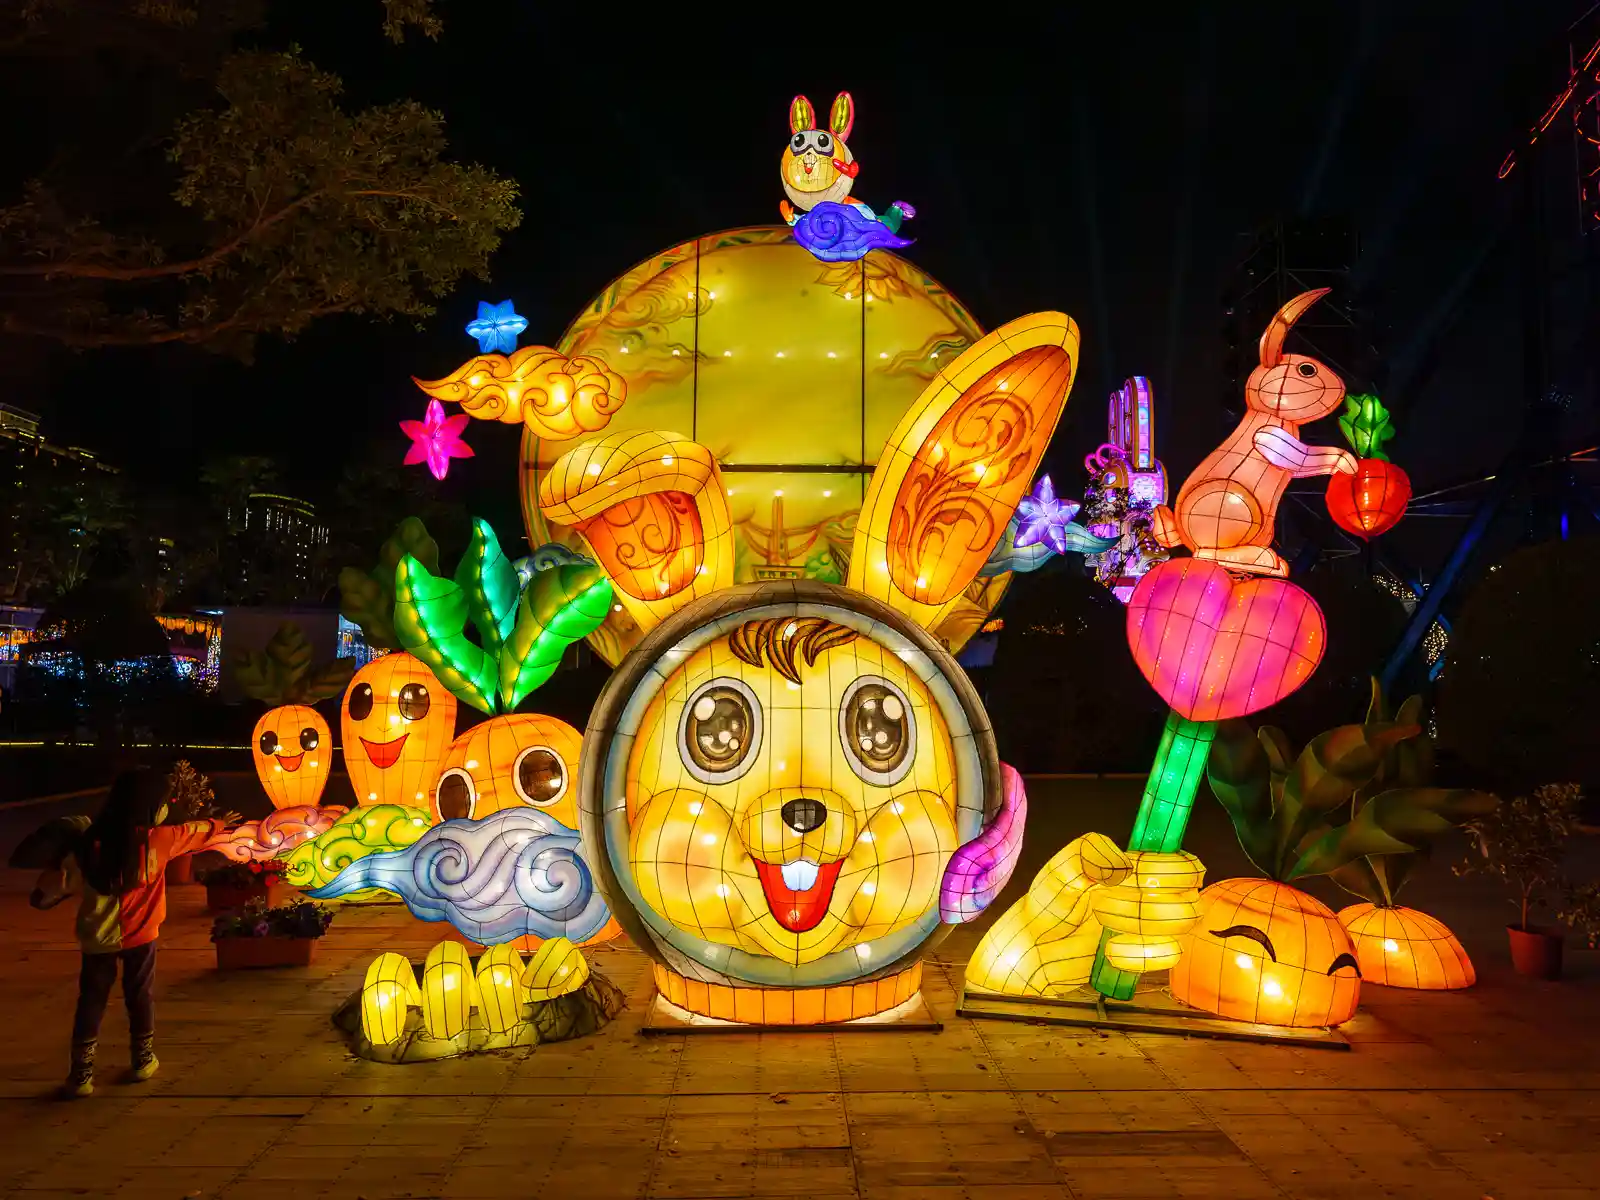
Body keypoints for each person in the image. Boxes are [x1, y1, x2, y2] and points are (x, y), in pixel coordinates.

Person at [29, 768, 227, 1099]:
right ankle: (142, 1060)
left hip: (97, 938)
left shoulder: (87, 843)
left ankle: (81, 1076)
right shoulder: (161, 839)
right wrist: (219, 825)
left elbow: (50, 892)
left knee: (91, 1001)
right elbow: (197, 832)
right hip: (141, 936)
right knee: (140, 995)